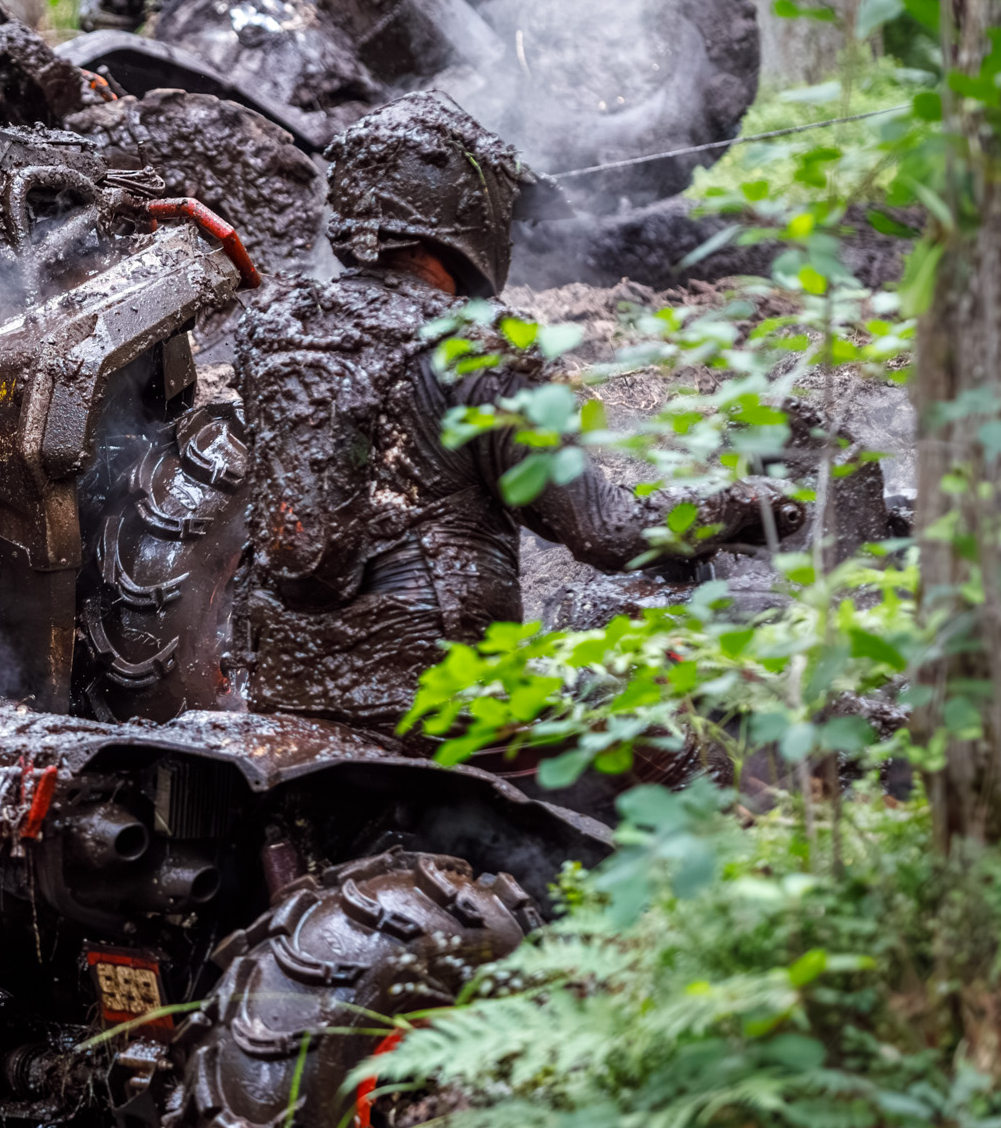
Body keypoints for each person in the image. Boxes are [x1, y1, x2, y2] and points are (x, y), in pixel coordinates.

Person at [230, 91, 789, 730]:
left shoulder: (272, 331)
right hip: (440, 699)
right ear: (468, 212)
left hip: (282, 686)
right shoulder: (475, 347)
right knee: (700, 743)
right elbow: (607, 531)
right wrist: (749, 503)